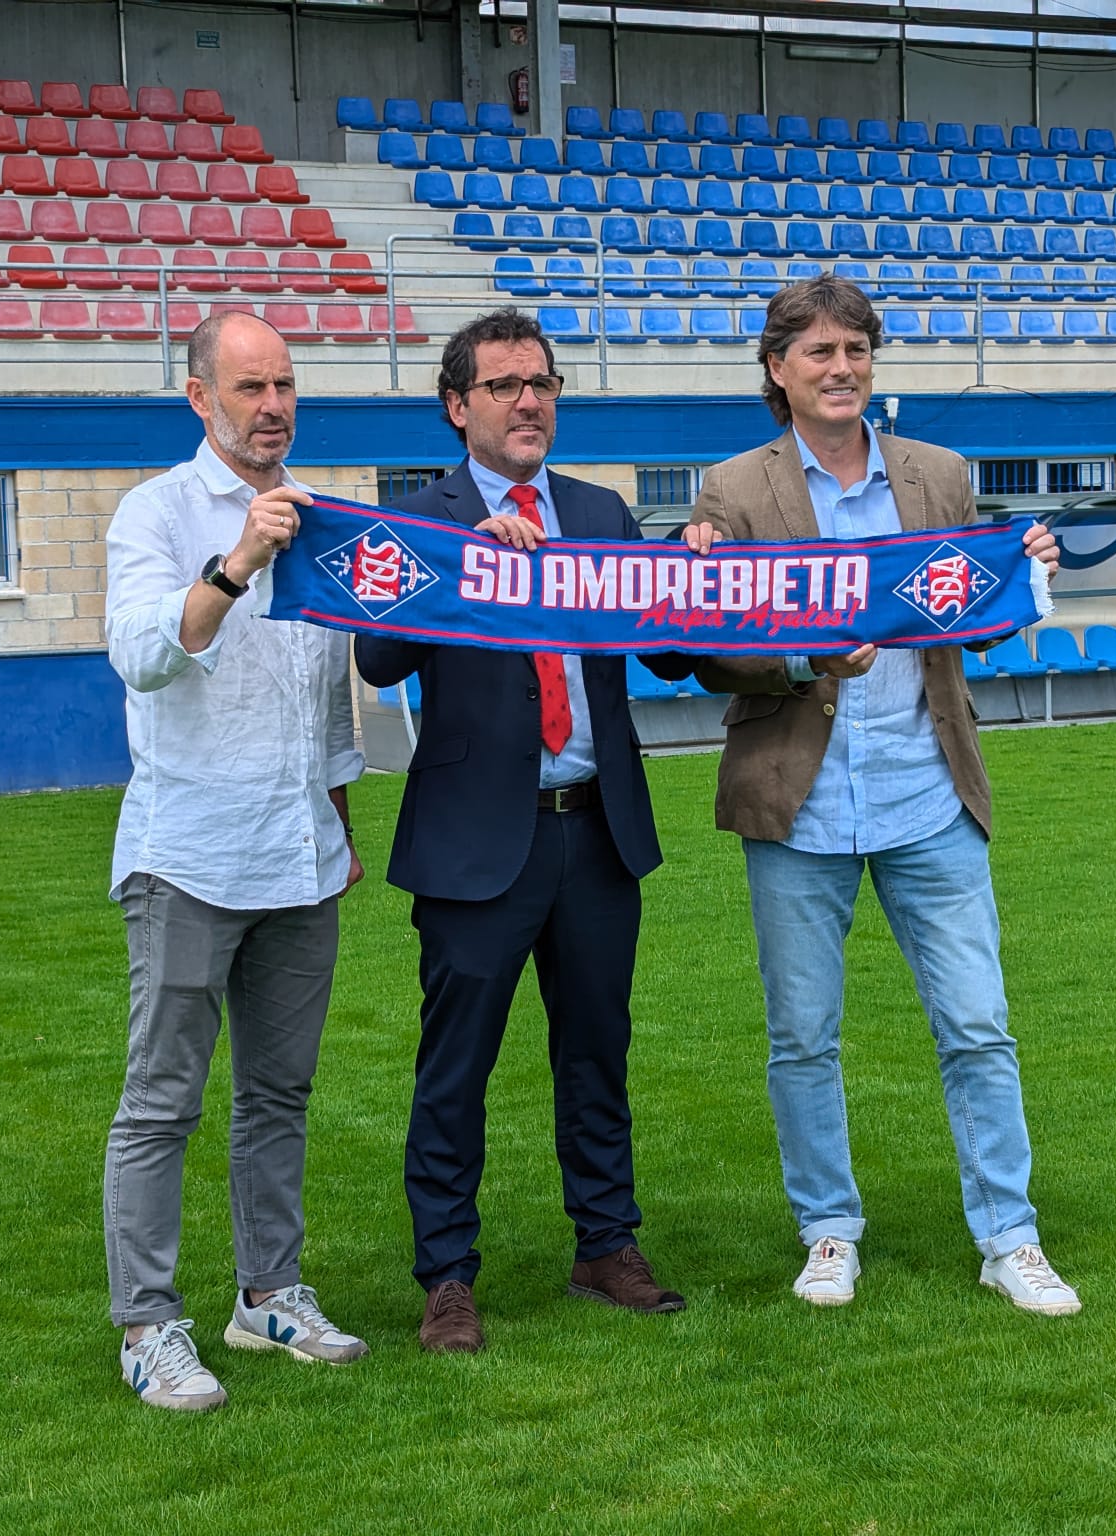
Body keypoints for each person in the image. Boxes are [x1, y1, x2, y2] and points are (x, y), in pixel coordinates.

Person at [682, 276, 1079, 1316]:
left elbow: (971, 615)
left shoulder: (939, 477)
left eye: (855, 349)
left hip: (927, 797)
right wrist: (801, 655)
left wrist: (1022, 572)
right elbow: (707, 657)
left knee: (978, 1025)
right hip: (796, 803)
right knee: (803, 1035)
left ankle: (1010, 1236)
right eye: (817, 352)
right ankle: (827, 1230)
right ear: (777, 369)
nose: (841, 368)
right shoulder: (730, 491)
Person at [356, 308, 699, 1354]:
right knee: (455, 1069)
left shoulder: (602, 514)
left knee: (598, 1051)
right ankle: (448, 1276)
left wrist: (687, 574)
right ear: (458, 407)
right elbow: (377, 662)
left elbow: (672, 658)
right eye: (504, 386)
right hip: (474, 846)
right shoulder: (421, 520)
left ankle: (607, 1244)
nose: (529, 402)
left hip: (595, 833)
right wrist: (467, 564)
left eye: (541, 383)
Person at [100, 311, 369, 1412]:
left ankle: (268, 1295)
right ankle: (147, 1326)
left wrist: (342, 822)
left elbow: (328, 697)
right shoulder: (156, 513)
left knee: (280, 1093)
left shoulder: (325, 513)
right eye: (251, 386)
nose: (273, 406)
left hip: (300, 854)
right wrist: (237, 560)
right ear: (199, 395)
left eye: (287, 385)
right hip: (189, 857)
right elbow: (145, 656)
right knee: (162, 1101)